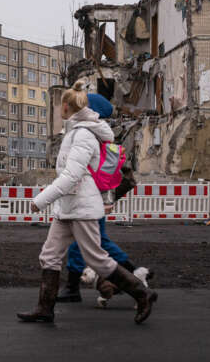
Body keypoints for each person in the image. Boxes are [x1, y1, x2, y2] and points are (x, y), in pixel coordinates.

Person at [17, 81, 157, 325]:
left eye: (62, 104)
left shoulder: (83, 135)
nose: (60, 109)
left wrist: (40, 201)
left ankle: (142, 294)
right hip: (69, 207)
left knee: (97, 259)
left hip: (80, 207)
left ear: (69, 108)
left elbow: (71, 176)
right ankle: (45, 308)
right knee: (49, 255)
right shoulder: (75, 132)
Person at [56, 91, 152, 307]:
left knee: (86, 243)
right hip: (91, 198)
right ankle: (135, 273)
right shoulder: (97, 136)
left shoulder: (91, 137)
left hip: (90, 199)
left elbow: (90, 172)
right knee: (97, 241)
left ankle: (133, 281)